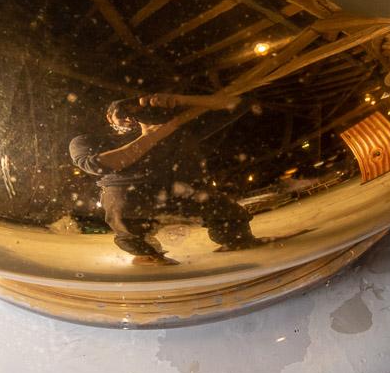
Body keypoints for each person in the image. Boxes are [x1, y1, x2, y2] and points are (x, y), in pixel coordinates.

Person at [69, 93, 264, 265]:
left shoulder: (177, 128)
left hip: (180, 187)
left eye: (137, 109)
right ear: (108, 117)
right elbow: (96, 164)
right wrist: (153, 135)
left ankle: (237, 240)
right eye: (122, 112)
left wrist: (181, 99)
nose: (130, 116)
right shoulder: (88, 140)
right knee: (124, 215)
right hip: (131, 196)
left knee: (227, 213)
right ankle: (145, 252)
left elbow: (240, 103)